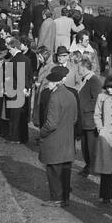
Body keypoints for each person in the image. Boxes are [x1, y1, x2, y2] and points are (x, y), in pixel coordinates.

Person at [39, 67, 78, 208]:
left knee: (54, 172)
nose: (47, 84)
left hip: (54, 142)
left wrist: (41, 133)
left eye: (49, 82)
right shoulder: (71, 94)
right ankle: (65, 198)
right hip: (67, 141)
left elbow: (51, 123)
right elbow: (74, 118)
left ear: (55, 83)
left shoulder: (54, 97)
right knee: (66, 172)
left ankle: (56, 198)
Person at [93, 75, 112, 204]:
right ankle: (105, 195)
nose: (110, 90)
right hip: (105, 134)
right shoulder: (101, 97)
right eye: (108, 87)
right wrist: (100, 128)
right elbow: (97, 114)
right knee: (106, 166)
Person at [77, 57, 103, 177]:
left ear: (84, 67)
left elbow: (97, 101)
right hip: (84, 119)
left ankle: (92, 169)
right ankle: (89, 167)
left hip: (90, 120)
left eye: (79, 68)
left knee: (91, 147)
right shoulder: (86, 79)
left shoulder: (94, 81)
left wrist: (84, 108)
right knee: (85, 147)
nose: (78, 70)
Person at [6, 38, 33, 144]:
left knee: (15, 115)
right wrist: (28, 89)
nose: (9, 51)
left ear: (15, 47)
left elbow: (17, 76)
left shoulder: (14, 61)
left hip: (17, 90)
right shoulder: (27, 59)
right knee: (23, 115)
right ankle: (24, 137)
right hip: (25, 90)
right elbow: (30, 75)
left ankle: (15, 137)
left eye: (10, 49)